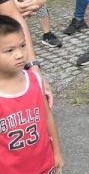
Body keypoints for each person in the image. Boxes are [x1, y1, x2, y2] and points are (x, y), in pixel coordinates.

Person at [0, 16, 64, 174]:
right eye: (9, 50)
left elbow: (47, 117)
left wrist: (56, 151)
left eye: (22, 45)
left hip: (44, 164)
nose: (20, 54)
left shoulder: (34, 80)